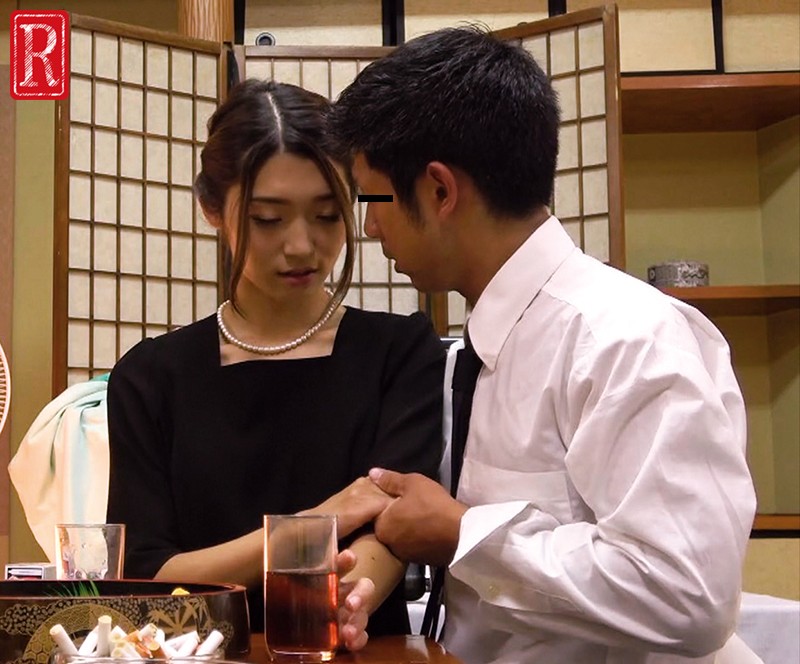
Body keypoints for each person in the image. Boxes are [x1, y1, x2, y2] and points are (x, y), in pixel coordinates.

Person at [329, 26, 757, 664]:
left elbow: (688, 594)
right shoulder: (472, 351)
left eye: (376, 198)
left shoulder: (625, 338)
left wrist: (464, 534)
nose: (369, 225)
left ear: (440, 191)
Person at [106, 79, 445, 650]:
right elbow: (149, 576)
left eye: (328, 215)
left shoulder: (400, 351)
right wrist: (317, 524)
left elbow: (391, 522)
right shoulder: (150, 376)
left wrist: (351, 598)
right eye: (268, 218)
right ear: (212, 209)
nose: (302, 246)